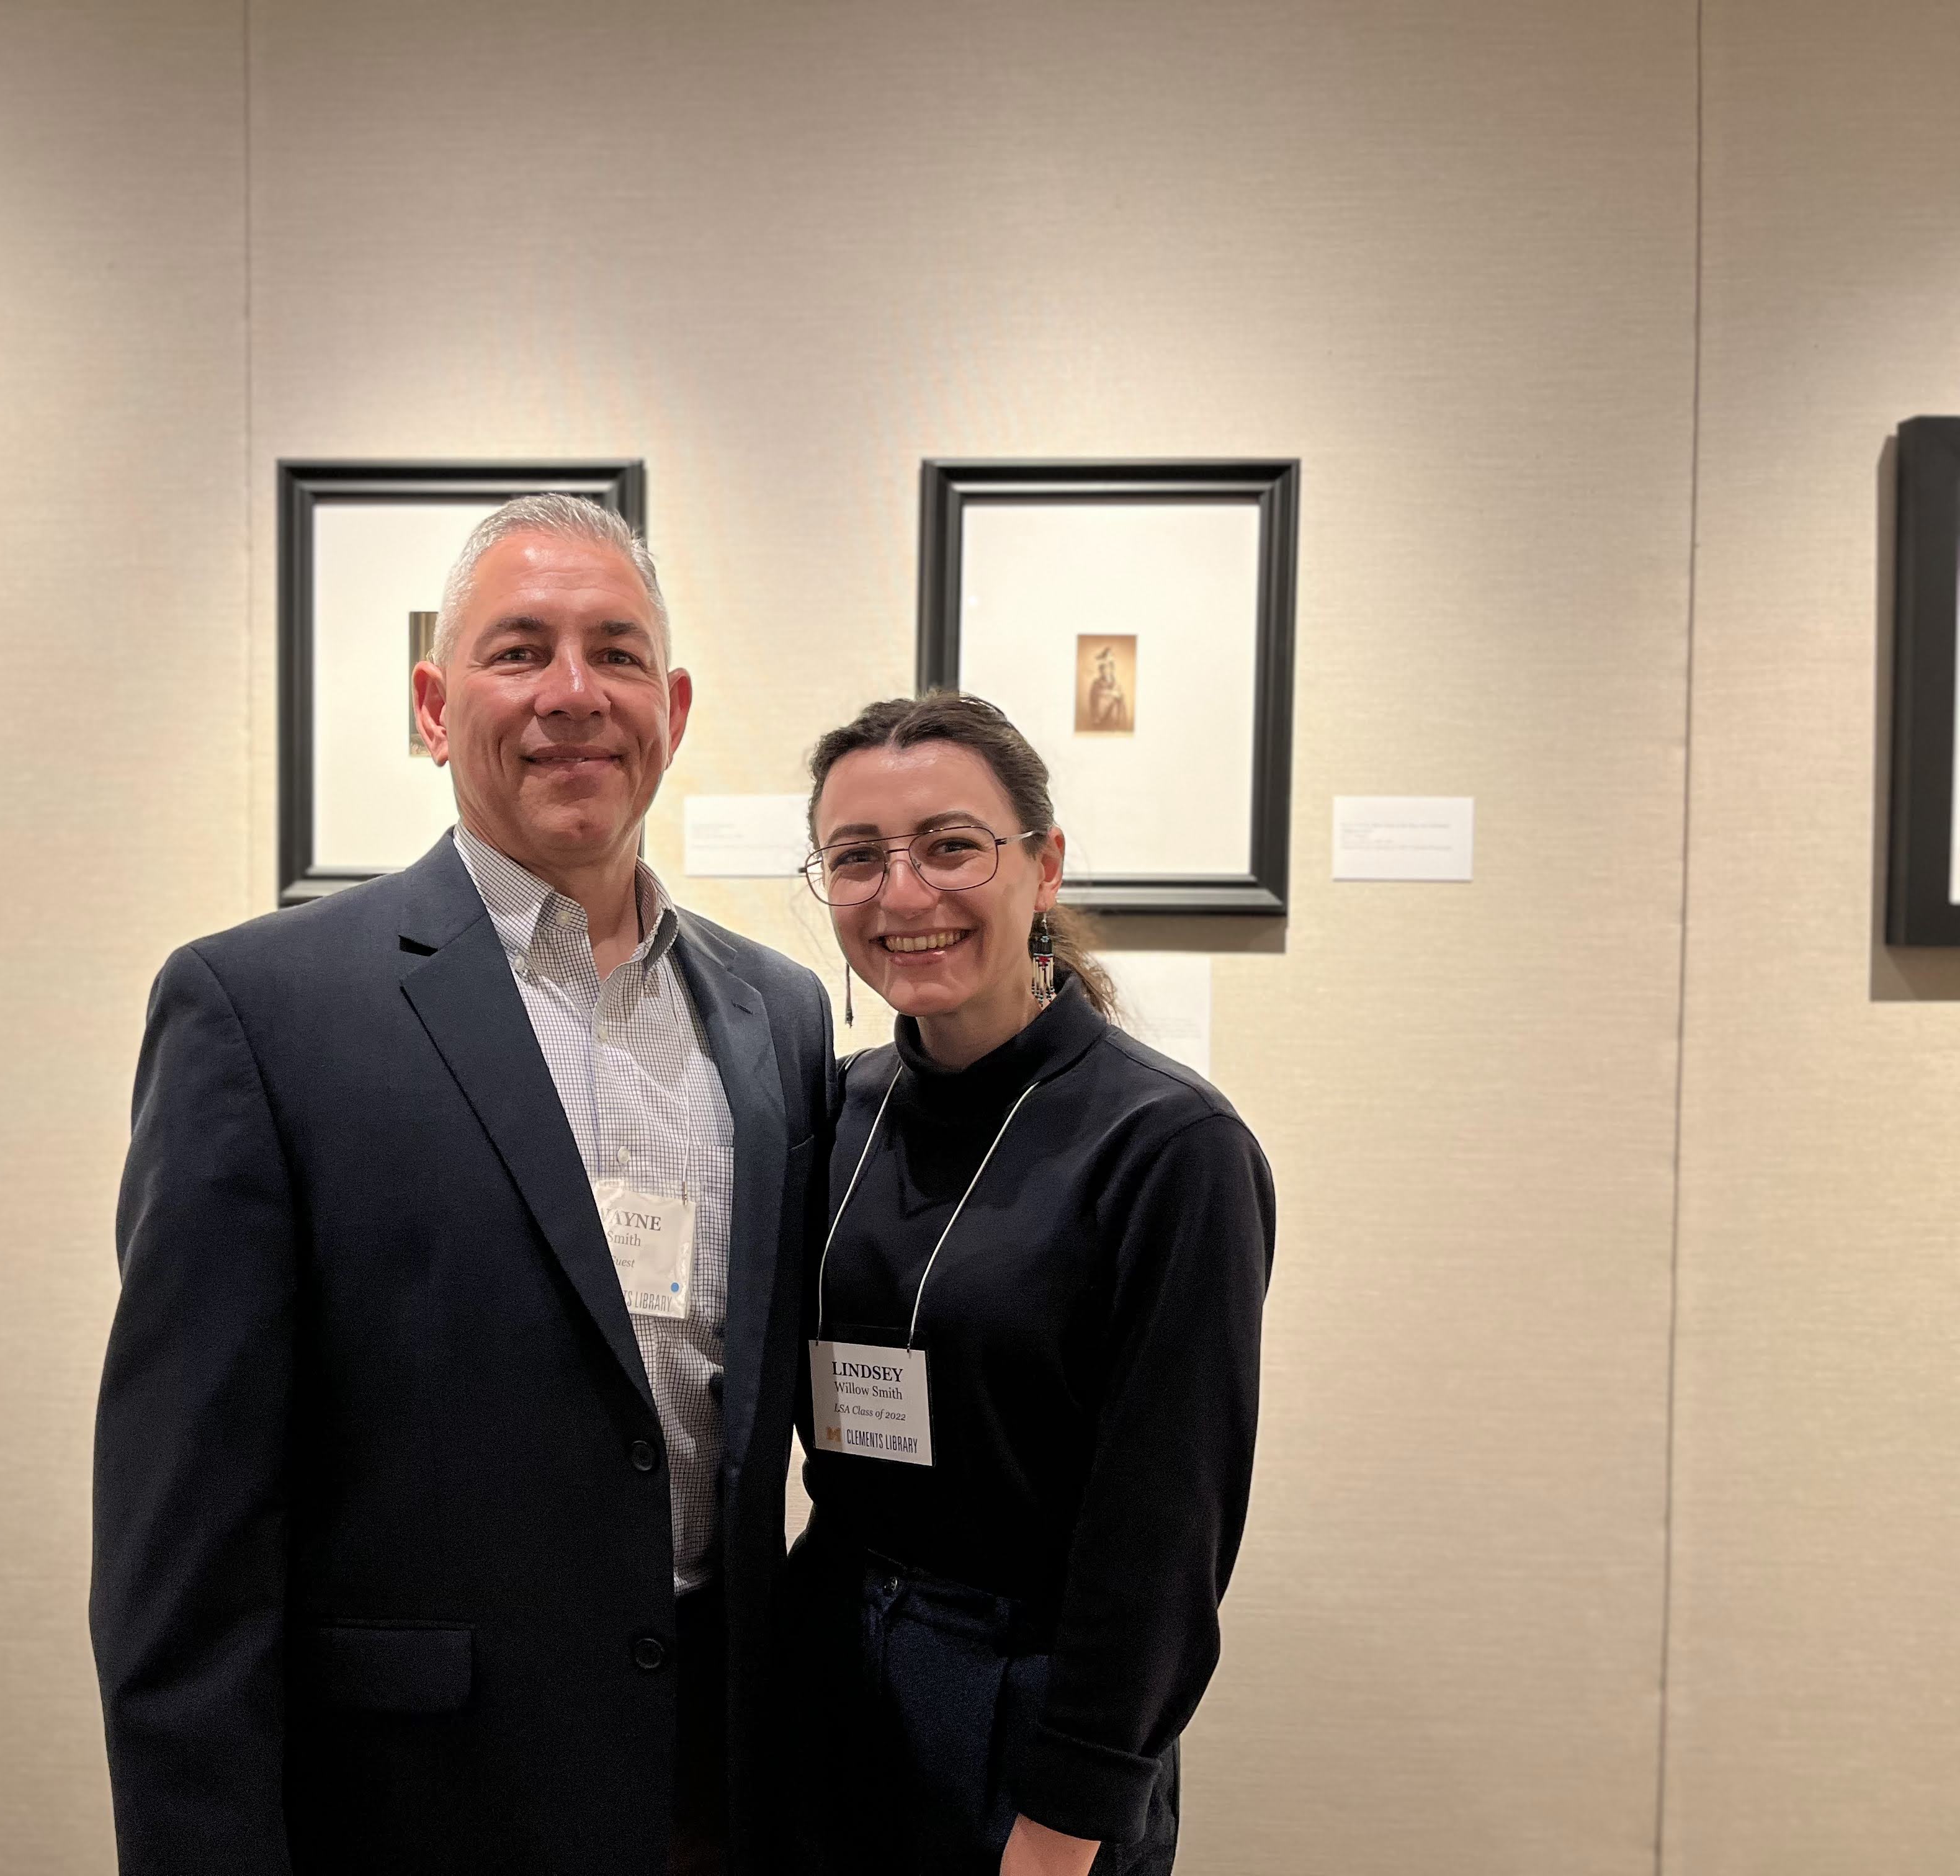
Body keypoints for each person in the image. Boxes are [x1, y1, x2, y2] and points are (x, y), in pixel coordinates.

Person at [91, 496, 832, 1875]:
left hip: (714, 1799)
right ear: (434, 706)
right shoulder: (259, 1013)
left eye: (616, 654)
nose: (573, 695)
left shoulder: (777, 1014)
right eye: (519, 651)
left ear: (670, 706)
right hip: (413, 1805)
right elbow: (181, 1543)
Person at [788, 693, 1273, 1876]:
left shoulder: (1167, 1146)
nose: (904, 896)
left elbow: (1167, 1530)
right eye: (858, 858)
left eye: (952, 846)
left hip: (1025, 1696)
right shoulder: (831, 1109)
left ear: (1044, 867)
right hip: (824, 1664)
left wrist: (1071, 1815)